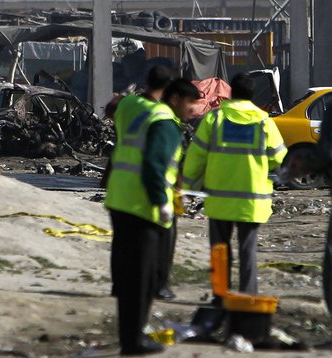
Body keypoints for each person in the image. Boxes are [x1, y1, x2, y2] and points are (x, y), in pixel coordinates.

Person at [105, 78, 200, 355]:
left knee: (127, 276)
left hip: (120, 199)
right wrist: (162, 202)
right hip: (142, 207)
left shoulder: (138, 109)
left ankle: (128, 337)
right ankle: (134, 341)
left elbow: (114, 110)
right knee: (141, 280)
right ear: (175, 100)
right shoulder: (166, 124)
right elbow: (154, 165)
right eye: (190, 102)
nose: (194, 109)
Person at [182, 73, 287, 304]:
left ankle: (220, 295)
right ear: (252, 94)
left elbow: (196, 157)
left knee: (220, 251)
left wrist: (189, 186)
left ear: (230, 93)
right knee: (248, 252)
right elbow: (280, 158)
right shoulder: (264, 121)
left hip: (220, 200)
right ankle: (248, 296)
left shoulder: (214, 119)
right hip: (252, 202)